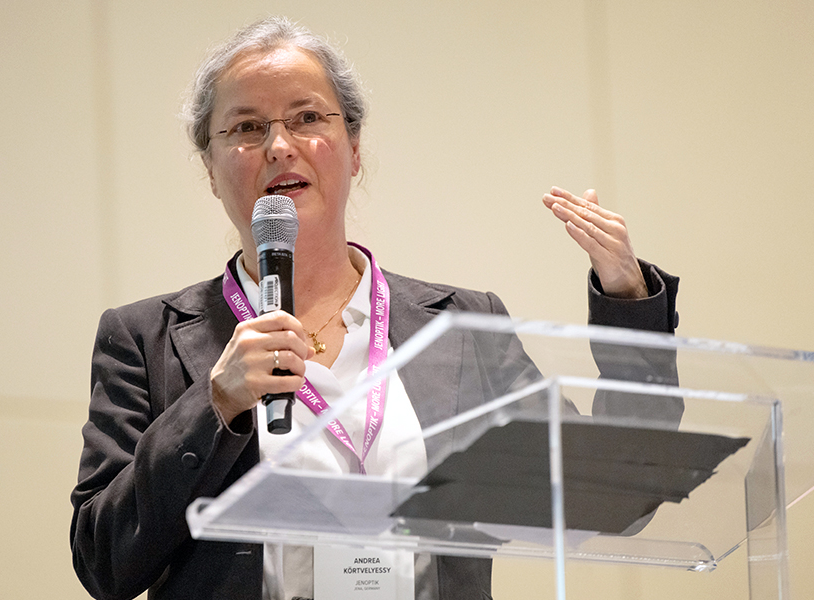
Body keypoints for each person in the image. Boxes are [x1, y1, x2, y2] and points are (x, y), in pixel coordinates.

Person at [70, 16, 680, 600]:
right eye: (247, 128)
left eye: (307, 117)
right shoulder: (146, 339)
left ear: (353, 148)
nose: (280, 146)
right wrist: (215, 405)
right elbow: (103, 561)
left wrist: (630, 304)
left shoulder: (461, 329)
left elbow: (612, 495)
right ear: (210, 166)